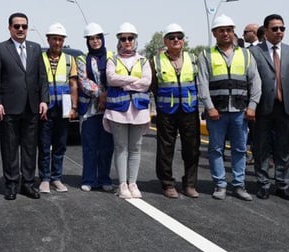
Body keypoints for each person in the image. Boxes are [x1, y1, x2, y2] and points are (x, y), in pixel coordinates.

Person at [197, 14, 261, 201]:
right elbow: (202, 83)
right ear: (214, 33)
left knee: (240, 149)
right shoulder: (206, 55)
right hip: (216, 112)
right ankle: (220, 184)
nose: (226, 33)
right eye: (221, 30)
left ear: (233, 32)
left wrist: (252, 106)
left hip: (240, 112)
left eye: (229, 30)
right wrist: (209, 107)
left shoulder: (245, 54)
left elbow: (255, 82)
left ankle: (239, 185)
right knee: (216, 149)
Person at [0, 12, 49, 199]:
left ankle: (28, 184)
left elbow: (42, 77)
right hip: (9, 107)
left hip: (32, 107)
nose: (21, 29)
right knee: (10, 147)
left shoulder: (35, 48)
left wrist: (44, 100)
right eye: (17, 26)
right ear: (10, 28)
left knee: (30, 148)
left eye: (24, 26)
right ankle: (12, 183)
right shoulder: (0, 49)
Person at [250, 14, 289, 200]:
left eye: (282, 28)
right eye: (275, 29)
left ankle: (282, 185)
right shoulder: (254, 52)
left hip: (285, 108)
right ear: (265, 31)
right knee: (261, 148)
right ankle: (263, 184)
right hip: (261, 108)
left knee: (284, 148)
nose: (279, 32)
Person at [151, 23, 201, 198]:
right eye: (171, 37)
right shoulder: (156, 61)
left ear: (184, 40)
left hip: (189, 111)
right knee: (165, 149)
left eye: (179, 37)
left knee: (192, 149)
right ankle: (167, 184)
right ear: (165, 41)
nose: (176, 40)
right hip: (166, 112)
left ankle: (189, 184)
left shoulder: (193, 58)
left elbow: (199, 83)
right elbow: (153, 86)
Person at [105, 23, 154, 199]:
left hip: (138, 110)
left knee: (135, 148)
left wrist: (124, 82)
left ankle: (133, 183)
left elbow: (147, 82)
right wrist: (135, 80)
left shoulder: (143, 60)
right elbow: (111, 79)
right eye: (123, 38)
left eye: (130, 38)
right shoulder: (112, 60)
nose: (127, 42)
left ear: (135, 40)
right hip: (118, 110)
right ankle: (122, 184)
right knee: (121, 147)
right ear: (118, 40)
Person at [38, 23, 78, 193]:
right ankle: (45, 179)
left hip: (63, 108)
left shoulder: (70, 60)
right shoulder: (39, 58)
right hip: (45, 109)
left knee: (60, 145)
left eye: (60, 39)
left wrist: (74, 107)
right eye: (54, 39)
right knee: (44, 145)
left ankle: (56, 178)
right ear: (48, 39)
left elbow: (73, 84)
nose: (57, 42)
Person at [76, 23, 115, 192]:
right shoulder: (82, 59)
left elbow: (115, 77)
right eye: (91, 39)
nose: (95, 41)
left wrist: (106, 97)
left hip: (110, 108)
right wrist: (101, 94)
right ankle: (89, 179)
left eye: (98, 37)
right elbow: (84, 82)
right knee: (90, 145)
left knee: (107, 146)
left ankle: (104, 178)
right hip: (90, 110)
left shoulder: (112, 57)